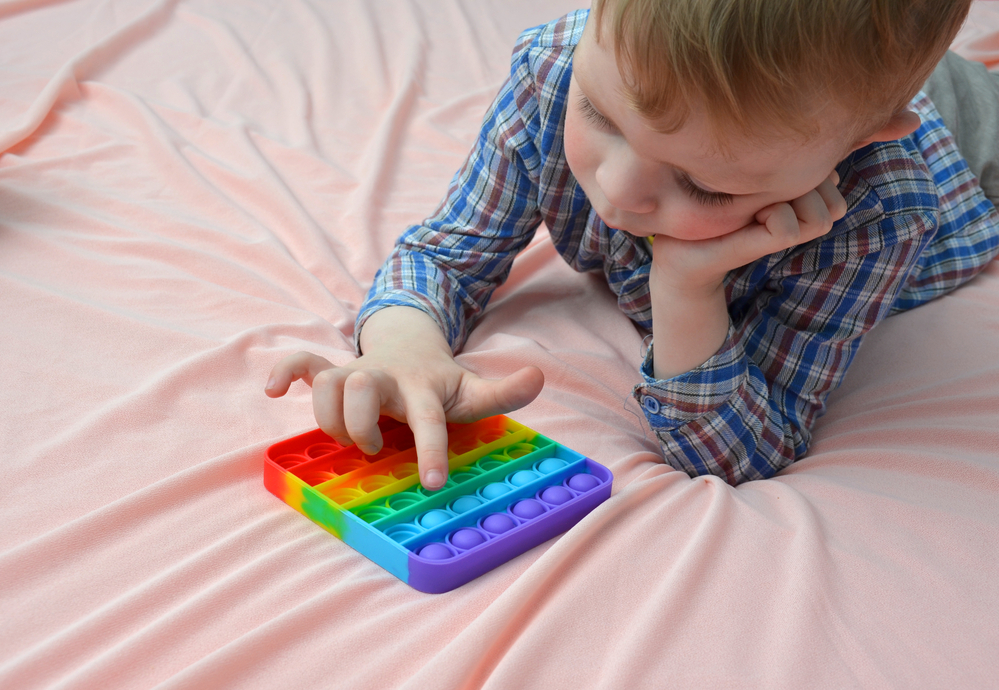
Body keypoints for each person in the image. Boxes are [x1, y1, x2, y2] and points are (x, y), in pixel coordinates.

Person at [266, 0, 999, 488]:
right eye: (600, 116)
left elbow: (750, 449)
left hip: (971, 150)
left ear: (854, 147)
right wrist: (402, 346)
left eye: (703, 186)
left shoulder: (880, 215)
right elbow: (446, 253)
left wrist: (686, 291)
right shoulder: (557, 69)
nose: (618, 193)